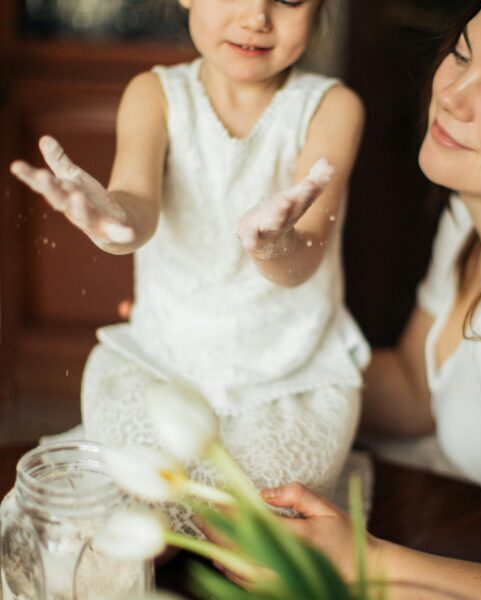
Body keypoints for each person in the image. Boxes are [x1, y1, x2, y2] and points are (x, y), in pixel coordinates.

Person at [255, 0, 481, 596]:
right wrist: (237, 349)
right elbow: (415, 389)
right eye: (460, 54)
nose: (452, 96)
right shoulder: (472, 218)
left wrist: (363, 563)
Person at [10, 0, 370, 533]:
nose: (256, 18)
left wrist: (273, 245)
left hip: (288, 379)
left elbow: (305, 256)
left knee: (265, 512)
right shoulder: (154, 94)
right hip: (164, 362)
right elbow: (136, 207)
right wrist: (110, 219)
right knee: (125, 498)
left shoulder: (333, 108)